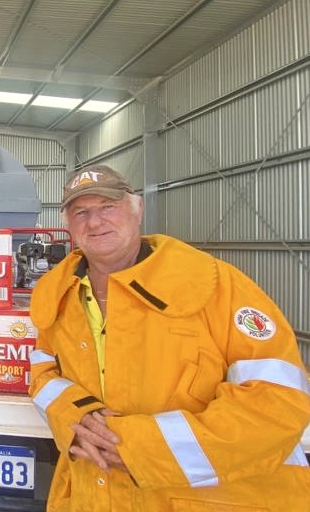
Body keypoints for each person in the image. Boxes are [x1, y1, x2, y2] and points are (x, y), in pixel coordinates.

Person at [28, 164, 310, 510]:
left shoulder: (215, 285)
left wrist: (140, 448)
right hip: (94, 493)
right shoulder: (59, 293)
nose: (95, 222)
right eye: (81, 212)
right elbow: (43, 371)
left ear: (138, 209)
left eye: (108, 207)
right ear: (68, 225)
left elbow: (277, 403)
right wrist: (77, 416)